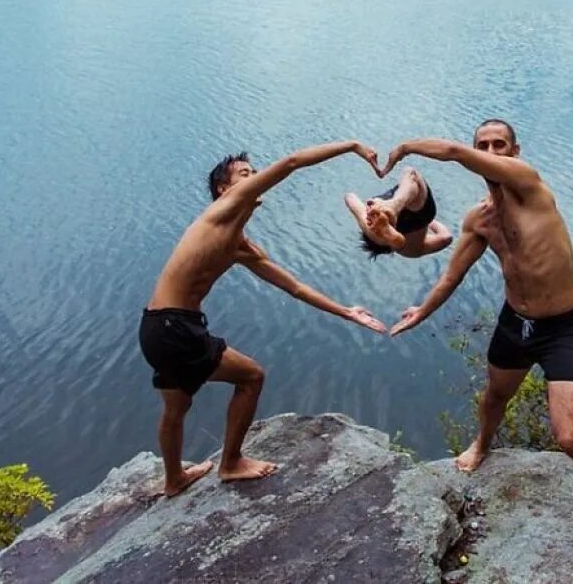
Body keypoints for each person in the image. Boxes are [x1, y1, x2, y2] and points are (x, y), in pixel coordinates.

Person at [383, 120, 573, 570]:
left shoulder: (530, 186)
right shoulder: (480, 219)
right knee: (494, 395)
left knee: (569, 436)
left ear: (515, 150)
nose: (492, 151)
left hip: (562, 328)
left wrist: (406, 146)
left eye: (500, 145)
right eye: (484, 145)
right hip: (516, 323)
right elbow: (453, 274)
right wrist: (421, 311)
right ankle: (482, 443)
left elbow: (451, 151)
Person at [139, 141, 387, 498]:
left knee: (177, 406)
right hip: (174, 327)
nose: (255, 178)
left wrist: (347, 311)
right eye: (245, 174)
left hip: (155, 327)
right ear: (224, 189)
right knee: (252, 377)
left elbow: (296, 287)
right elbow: (292, 161)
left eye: (254, 173)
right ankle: (231, 463)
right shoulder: (222, 210)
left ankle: (174, 479)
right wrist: (351, 146)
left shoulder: (240, 245)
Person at [344, 166, 453, 259]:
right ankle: (391, 209)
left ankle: (386, 222)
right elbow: (350, 197)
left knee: (412, 177)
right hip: (386, 204)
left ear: (390, 250)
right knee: (409, 172)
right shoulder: (374, 215)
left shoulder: (410, 251)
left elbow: (446, 238)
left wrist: (430, 223)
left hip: (418, 218)